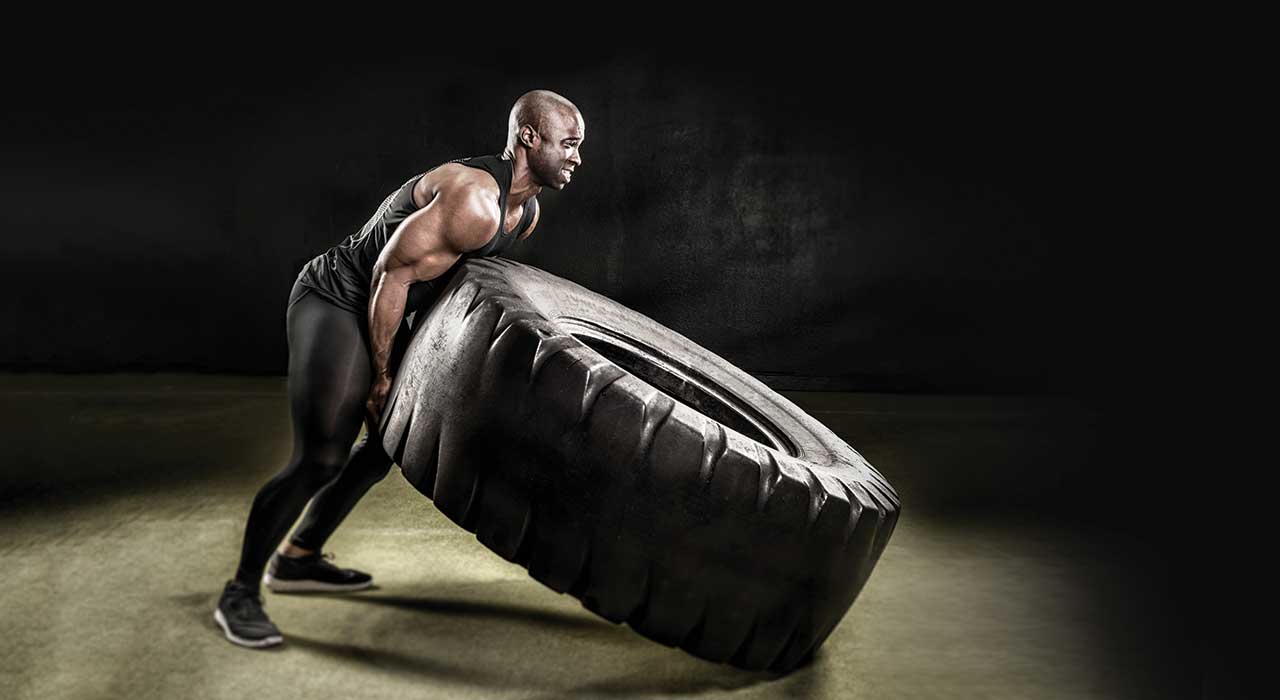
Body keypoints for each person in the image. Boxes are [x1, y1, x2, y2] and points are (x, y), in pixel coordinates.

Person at [214, 89, 586, 648]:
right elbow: (391, 274)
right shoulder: (476, 200)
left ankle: (299, 556)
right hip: (337, 297)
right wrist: (382, 375)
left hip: (391, 304)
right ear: (528, 139)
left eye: (580, 146)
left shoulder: (523, 212)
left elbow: (453, 284)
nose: (577, 157)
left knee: (385, 443)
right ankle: (239, 592)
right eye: (569, 143)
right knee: (321, 456)